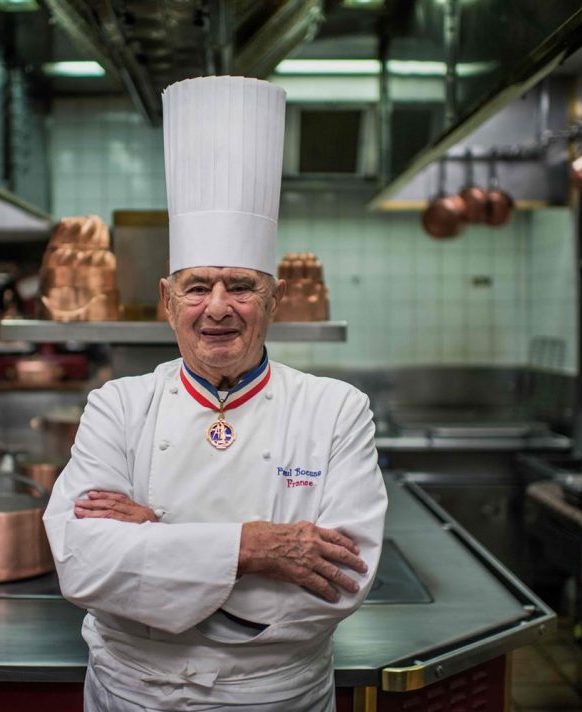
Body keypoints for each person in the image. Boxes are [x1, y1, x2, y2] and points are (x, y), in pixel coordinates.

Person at [43, 75, 388, 712]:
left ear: (275, 300)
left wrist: (154, 541)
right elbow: (82, 564)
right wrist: (256, 548)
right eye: (198, 287)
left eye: (241, 286)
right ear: (167, 302)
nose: (218, 308)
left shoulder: (337, 409)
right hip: (132, 693)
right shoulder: (117, 405)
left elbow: (341, 583)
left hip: (274, 695)